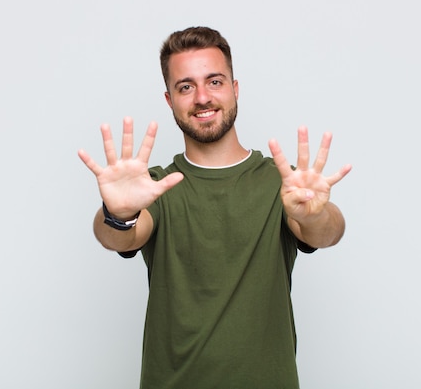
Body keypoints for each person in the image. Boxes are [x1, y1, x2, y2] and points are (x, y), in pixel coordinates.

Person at [78, 26, 351, 389]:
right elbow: (120, 237)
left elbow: (327, 230)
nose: (202, 97)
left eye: (215, 82)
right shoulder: (157, 186)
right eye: (186, 87)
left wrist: (314, 214)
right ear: (169, 99)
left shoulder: (284, 184)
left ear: (235, 89)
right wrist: (118, 213)